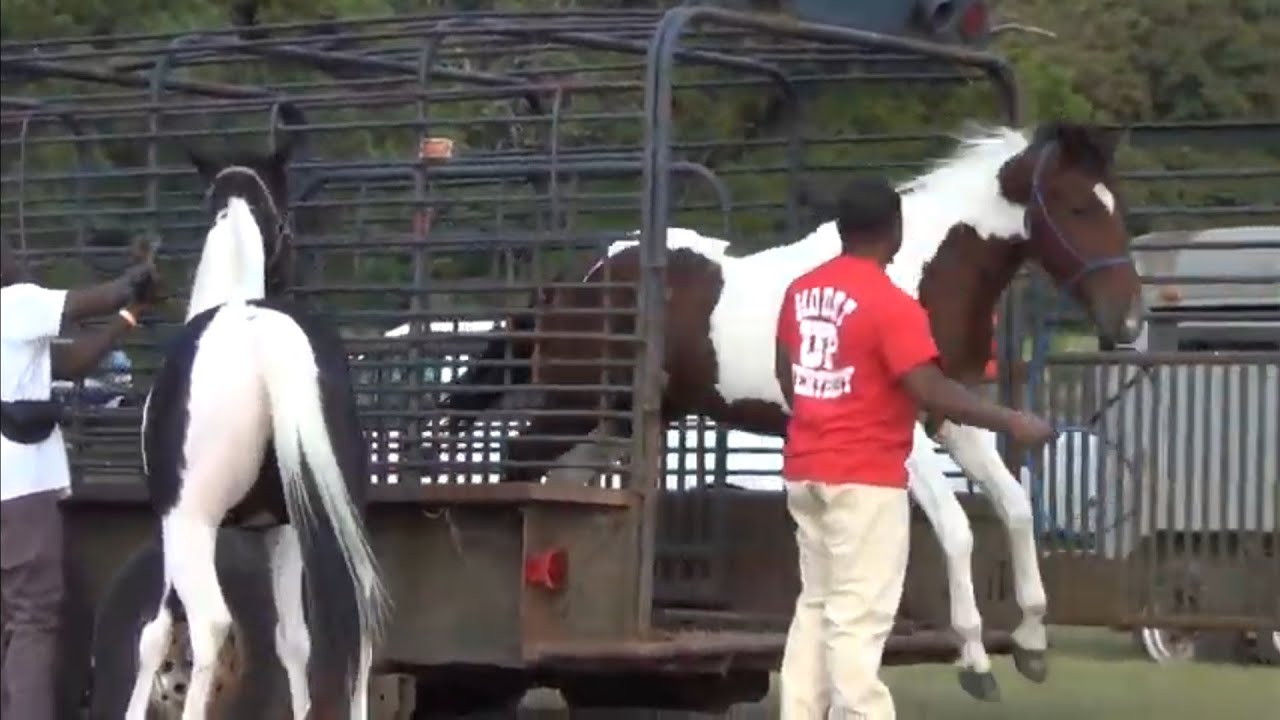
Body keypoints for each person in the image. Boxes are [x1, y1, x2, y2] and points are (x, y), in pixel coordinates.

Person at [773, 178, 1056, 720]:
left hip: (807, 469)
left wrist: (822, 413)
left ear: (840, 228)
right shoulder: (890, 304)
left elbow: (790, 374)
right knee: (859, 619)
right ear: (895, 231)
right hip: (865, 479)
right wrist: (1010, 421)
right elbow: (929, 389)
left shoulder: (801, 291)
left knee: (816, 609)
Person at [0, 235, 161, 720]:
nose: (20, 259)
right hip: (20, 491)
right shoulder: (15, 303)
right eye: (9, 249)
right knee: (33, 618)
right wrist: (139, 275)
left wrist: (130, 318)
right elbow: (102, 296)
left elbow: (71, 363)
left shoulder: (18, 330)